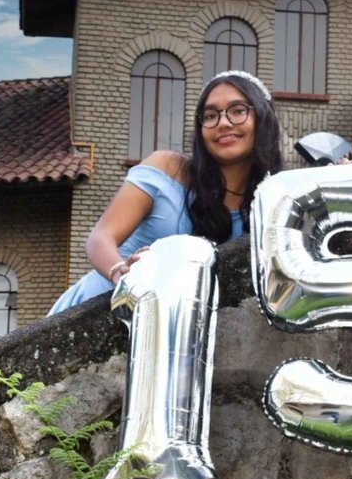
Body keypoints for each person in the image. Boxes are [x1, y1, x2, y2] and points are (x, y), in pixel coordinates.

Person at [49, 69, 283, 313]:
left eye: (238, 111)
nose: (223, 123)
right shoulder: (167, 168)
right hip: (98, 308)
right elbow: (100, 237)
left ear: (263, 119)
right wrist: (122, 273)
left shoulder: (275, 201)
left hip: (179, 332)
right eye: (211, 115)